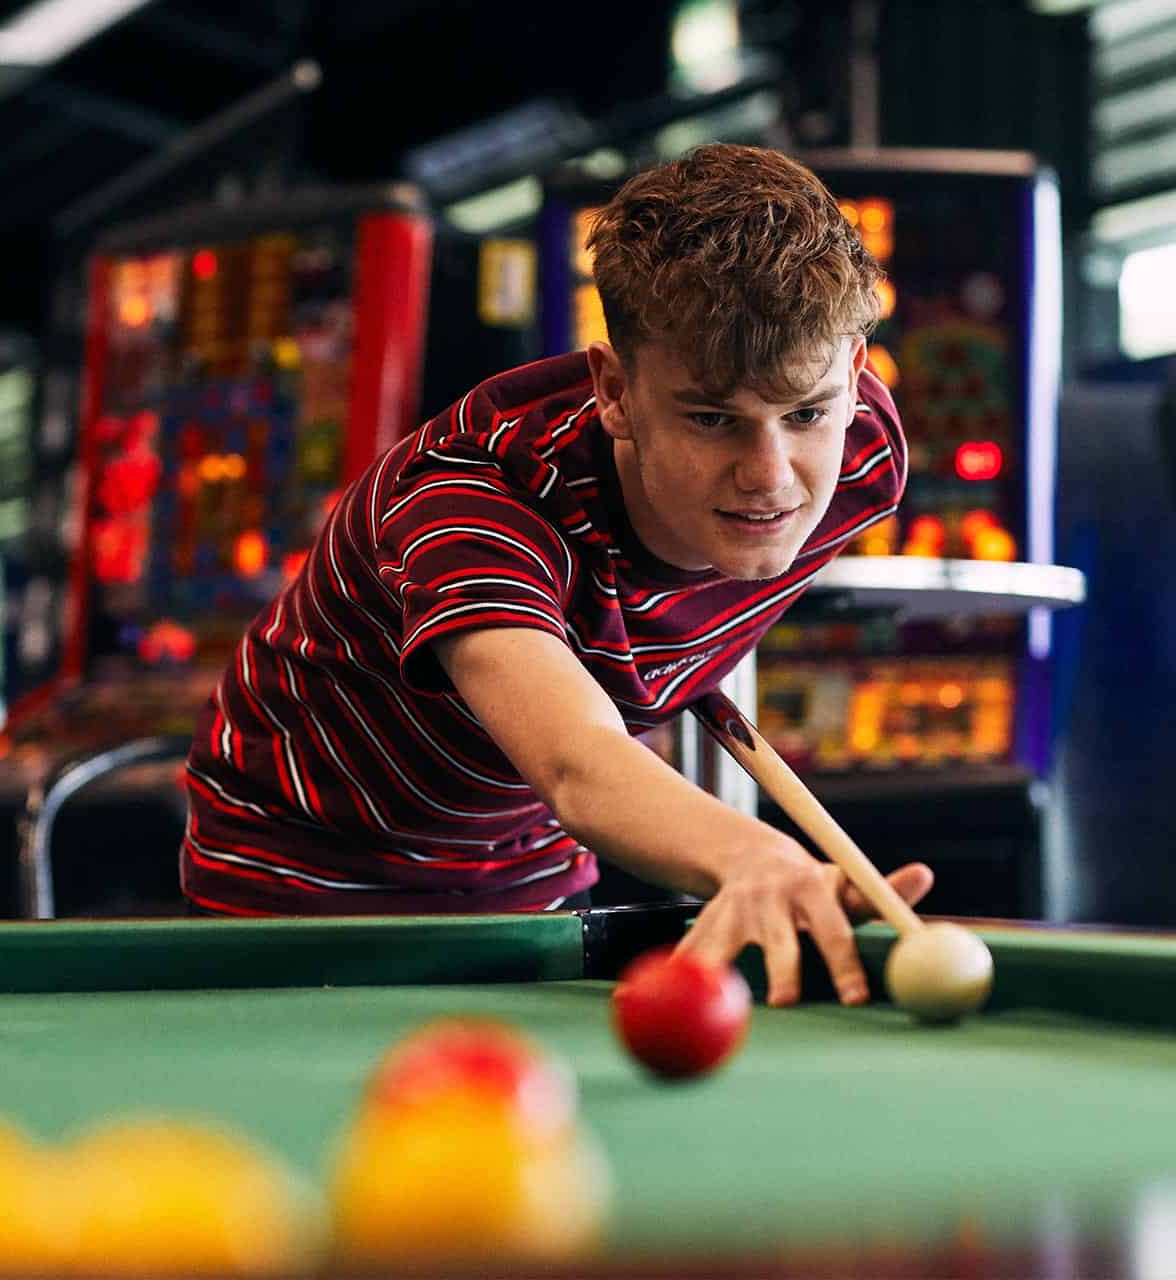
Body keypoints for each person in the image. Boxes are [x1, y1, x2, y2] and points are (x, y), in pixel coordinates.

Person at [181, 143, 933, 1008]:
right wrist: (750, 854)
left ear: (855, 376)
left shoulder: (865, 459)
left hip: (529, 865)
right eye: (711, 419)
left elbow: (665, 634)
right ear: (614, 390)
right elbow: (578, 762)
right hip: (305, 872)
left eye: (805, 413)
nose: (771, 475)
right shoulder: (474, 500)